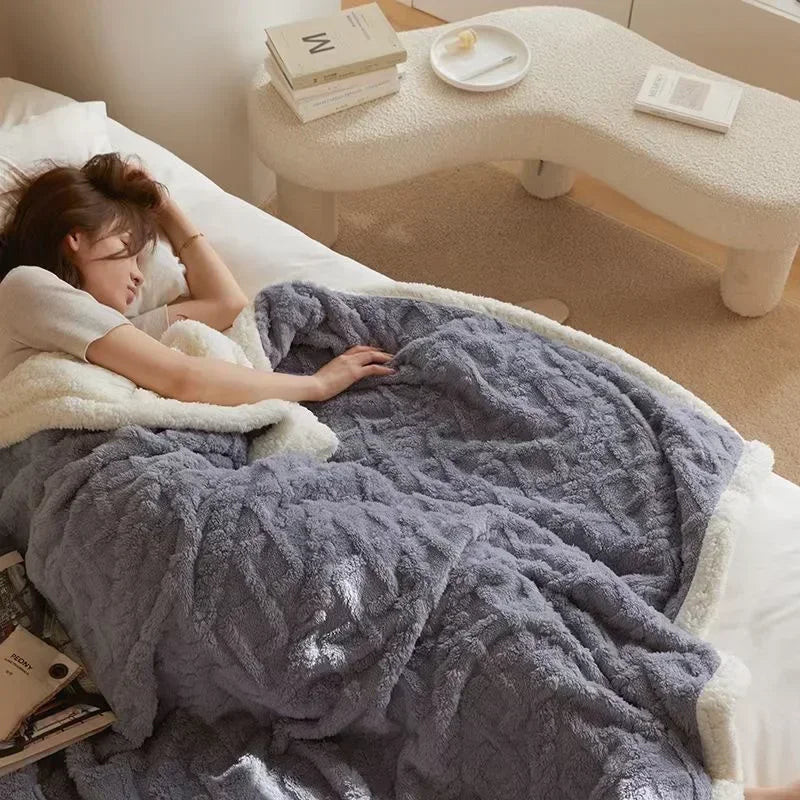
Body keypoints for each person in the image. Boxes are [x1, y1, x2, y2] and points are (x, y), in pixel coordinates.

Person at [0, 152, 394, 400]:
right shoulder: (26, 289)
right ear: (75, 238)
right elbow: (183, 378)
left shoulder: (123, 332)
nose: (139, 277)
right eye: (128, 248)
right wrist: (317, 386)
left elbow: (227, 305)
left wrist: (168, 210)